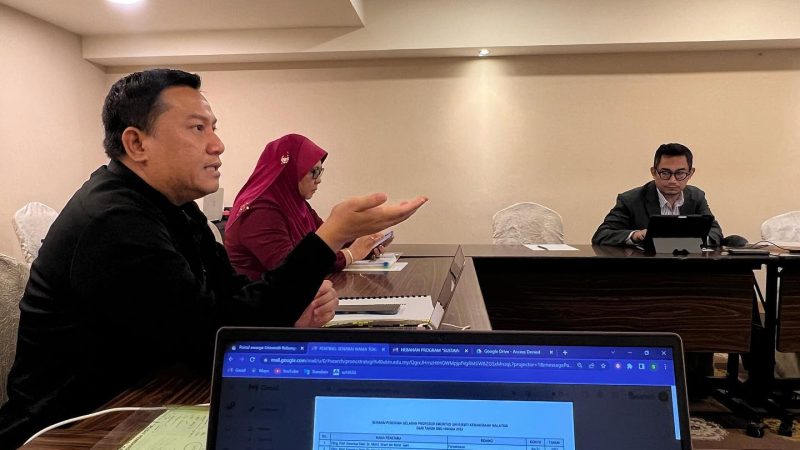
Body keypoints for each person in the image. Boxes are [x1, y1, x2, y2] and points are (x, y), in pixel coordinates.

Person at [0, 69, 426, 449]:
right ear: (136, 143)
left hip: (146, 395)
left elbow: (229, 294)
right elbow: (211, 337)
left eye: (214, 127)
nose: (218, 145)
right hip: (72, 429)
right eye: (197, 128)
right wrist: (330, 237)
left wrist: (291, 310)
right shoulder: (113, 220)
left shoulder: (175, 205)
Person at [225, 134, 390, 280]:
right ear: (289, 171)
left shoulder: (297, 205)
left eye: (320, 171)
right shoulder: (259, 212)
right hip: (260, 303)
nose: (319, 180)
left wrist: (365, 243)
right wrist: (350, 254)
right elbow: (291, 269)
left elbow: (326, 238)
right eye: (314, 171)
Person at [591, 143, 723, 247]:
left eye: (680, 173)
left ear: (690, 173)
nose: (672, 180)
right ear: (653, 172)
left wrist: (696, 239)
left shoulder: (696, 197)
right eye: (665, 173)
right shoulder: (631, 200)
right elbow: (601, 235)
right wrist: (635, 235)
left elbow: (715, 232)